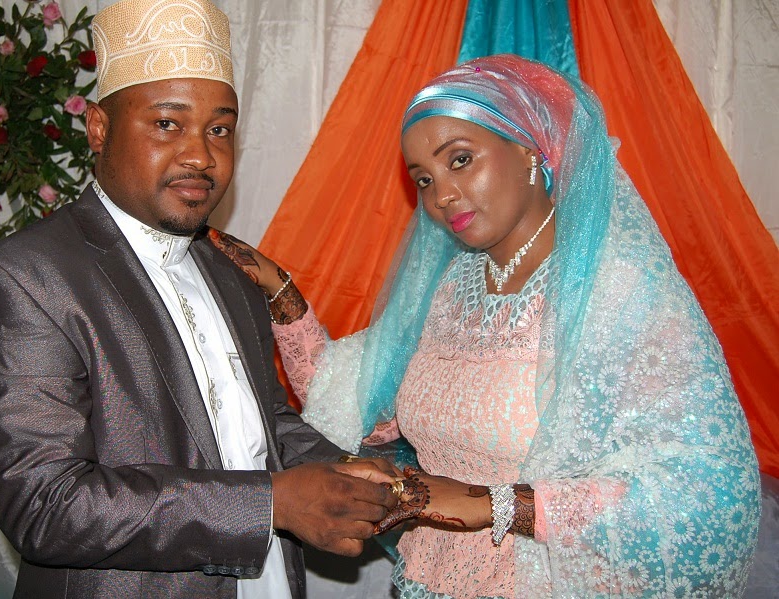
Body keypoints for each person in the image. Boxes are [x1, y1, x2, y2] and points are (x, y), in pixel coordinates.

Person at [209, 55, 762, 597]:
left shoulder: (616, 292)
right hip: (423, 583)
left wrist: (494, 504)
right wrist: (279, 291)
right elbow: (356, 405)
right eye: (423, 179)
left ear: (529, 148)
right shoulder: (451, 288)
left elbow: (710, 494)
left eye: (460, 160)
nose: (441, 196)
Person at [0, 0, 400, 597]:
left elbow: (259, 423)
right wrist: (273, 504)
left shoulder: (229, 271)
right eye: (167, 124)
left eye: (219, 129)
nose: (201, 155)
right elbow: (47, 505)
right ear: (99, 129)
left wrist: (348, 475)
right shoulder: (19, 282)